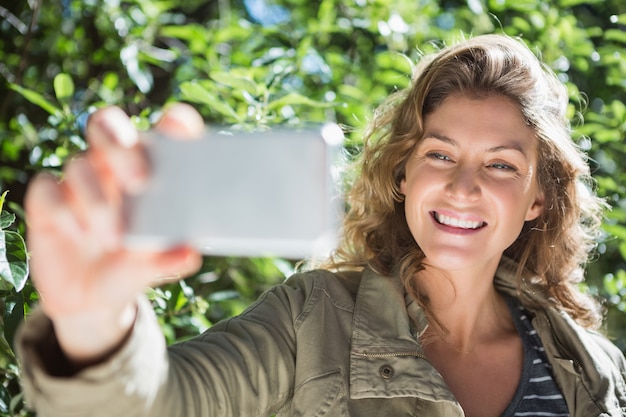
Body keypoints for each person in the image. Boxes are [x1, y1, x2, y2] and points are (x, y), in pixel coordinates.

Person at [16, 34, 626, 417]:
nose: (464, 187)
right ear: (403, 176)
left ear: (539, 199)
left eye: (500, 165)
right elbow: (153, 403)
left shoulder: (594, 369)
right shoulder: (311, 322)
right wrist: (95, 324)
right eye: (439, 154)